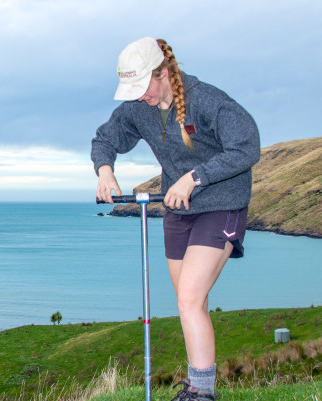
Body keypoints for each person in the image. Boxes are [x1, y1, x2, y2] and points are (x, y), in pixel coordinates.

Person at [91, 37, 260, 400]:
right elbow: (105, 137)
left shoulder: (208, 101)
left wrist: (194, 177)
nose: (139, 97)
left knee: (188, 298)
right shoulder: (139, 109)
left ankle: (201, 393)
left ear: (164, 73)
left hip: (221, 204)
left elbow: (247, 146)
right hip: (179, 211)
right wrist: (105, 172)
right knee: (191, 304)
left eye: (143, 87)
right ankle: (196, 387)